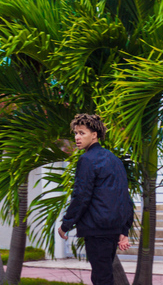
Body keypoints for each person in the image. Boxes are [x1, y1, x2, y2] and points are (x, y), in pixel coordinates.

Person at [58, 113, 134, 285]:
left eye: (82, 133)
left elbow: (82, 196)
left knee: (101, 278)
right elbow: (124, 197)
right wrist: (124, 229)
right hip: (111, 228)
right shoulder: (115, 160)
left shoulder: (87, 160)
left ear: (94, 135)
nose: (77, 137)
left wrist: (66, 224)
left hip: (97, 229)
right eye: (76, 133)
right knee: (104, 275)